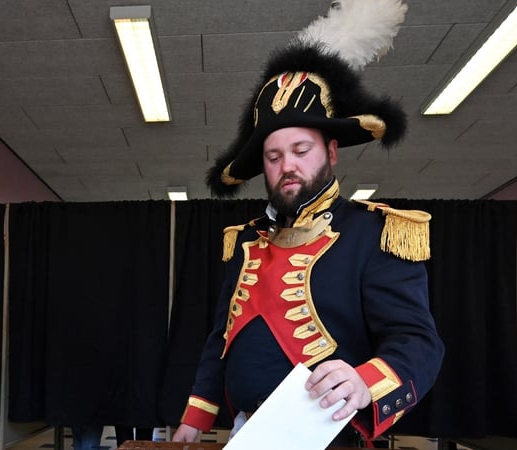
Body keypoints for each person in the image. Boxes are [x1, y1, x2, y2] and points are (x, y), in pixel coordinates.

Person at [173, 0, 444, 446]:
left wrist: (365, 382)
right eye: (274, 156)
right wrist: (195, 420)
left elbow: (418, 342)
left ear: (332, 153)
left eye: (302, 150)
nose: (287, 166)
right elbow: (220, 339)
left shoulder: (373, 234)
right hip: (244, 433)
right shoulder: (246, 240)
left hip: (330, 437)